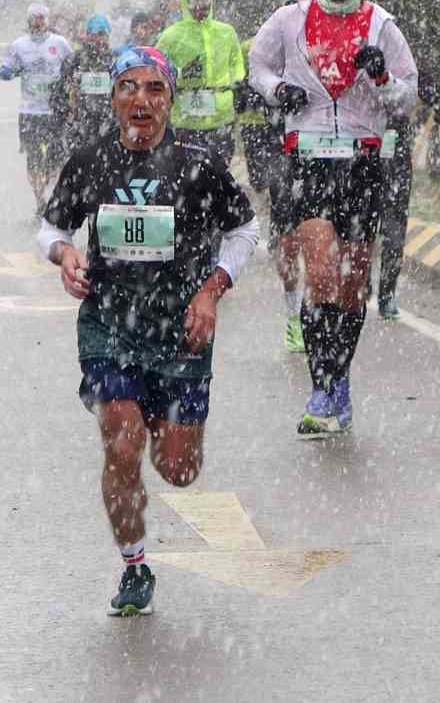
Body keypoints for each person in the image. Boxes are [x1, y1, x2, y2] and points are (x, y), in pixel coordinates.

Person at [36, 45, 259, 616]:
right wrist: (64, 255)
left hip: (181, 327)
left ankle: (168, 431)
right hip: (111, 320)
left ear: (170, 100)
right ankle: (135, 566)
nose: (141, 100)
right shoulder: (90, 159)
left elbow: (245, 232)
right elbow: (51, 227)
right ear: (112, 98)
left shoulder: (199, 161)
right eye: (129, 88)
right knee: (121, 440)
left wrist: (211, 291)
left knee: (178, 470)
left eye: (154, 89)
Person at [249, 0, 419, 435]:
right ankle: (321, 385)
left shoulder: (381, 25)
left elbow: (407, 99)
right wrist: (278, 90)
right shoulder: (291, 19)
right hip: (309, 161)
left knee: (352, 286)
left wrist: (382, 78)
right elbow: (257, 65)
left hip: (363, 163)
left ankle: (339, 384)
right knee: (322, 273)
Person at [238, 0, 319, 351]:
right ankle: (293, 315)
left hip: (323, 157)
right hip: (282, 155)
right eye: (294, 6)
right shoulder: (267, 50)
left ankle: (319, 313)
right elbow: (250, 86)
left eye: (309, 6)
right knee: (288, 243)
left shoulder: (328, 49)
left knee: (322, 240)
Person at [372, 70, 440, 320]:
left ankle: (387, 293)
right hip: (360, 147)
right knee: (359, 223)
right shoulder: (354, 46)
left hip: (394, 147)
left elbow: (418, 77)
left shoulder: (399, 50)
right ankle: (358, 280)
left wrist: (439, 102)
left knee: (395, 225)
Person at [157, 0, 246, 165]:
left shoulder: (226, 32)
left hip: (222, 118)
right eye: (192, 0)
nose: (199, 6)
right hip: (186, 120)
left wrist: (239, 83)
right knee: (188, 177)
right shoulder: (171, 36)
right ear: (183, 2)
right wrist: (181, 74)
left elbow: (236, 64)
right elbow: (157, 71)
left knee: (220, 174)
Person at [0, 2, 73, 215]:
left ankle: (51, 191)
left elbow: (73, 65)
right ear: (28, 20)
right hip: (30, 111)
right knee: (33, 158)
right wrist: (7, 71)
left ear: (47, 20)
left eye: (42, 17)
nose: (38, 22)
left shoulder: (59, 43)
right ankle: (39, 198)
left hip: (54, 111)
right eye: (34, 17)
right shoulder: (19, 45)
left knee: (55, 157)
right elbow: (7, 67)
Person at [55, 13, 119, 153]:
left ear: (108, 35)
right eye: (93, 34)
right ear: (87, 35)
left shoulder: (116, 60)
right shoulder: (74, 60)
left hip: (108, 123)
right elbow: (59, 93)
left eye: (101, 34)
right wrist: (65, 115)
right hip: (81, 126)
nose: (97, 39)